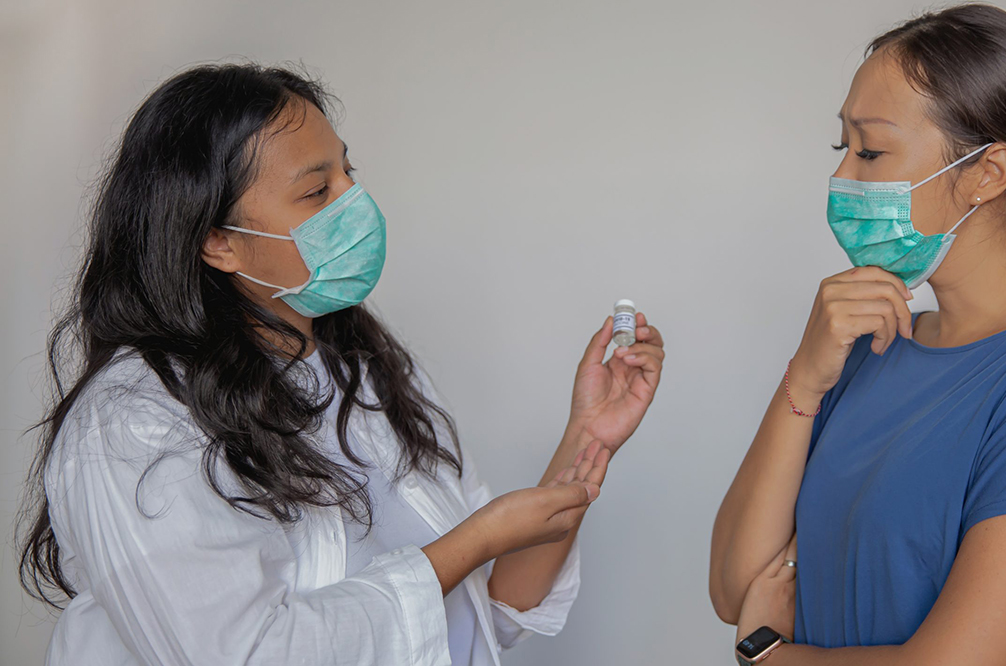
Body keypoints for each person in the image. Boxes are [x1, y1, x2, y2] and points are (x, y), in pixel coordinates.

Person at [16, 63, 665, 666]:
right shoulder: (135, 423)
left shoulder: (367, 374)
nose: (356, 204)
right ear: (217, 242)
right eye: (317, 190)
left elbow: (486, 614)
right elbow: (243, 654)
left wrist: (586, 436)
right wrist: (470, 542)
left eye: (349, 174)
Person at [709, 5, 1006, 665]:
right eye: (844, 148)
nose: (842, 179)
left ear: (988, 172)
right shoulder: (871, 345)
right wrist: (804, 376)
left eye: (870, 150)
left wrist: (765, 657)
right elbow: (733, 587)